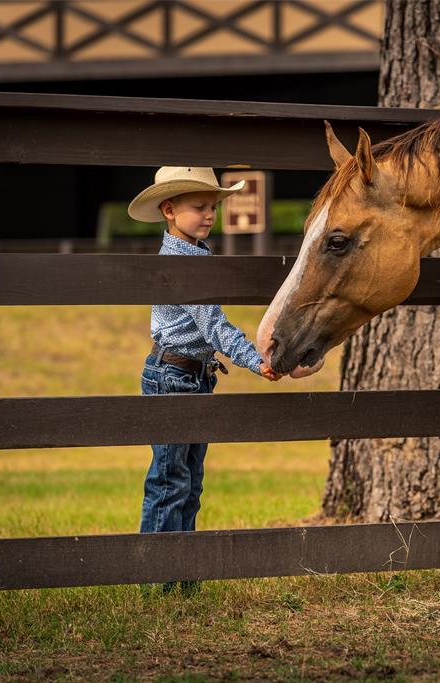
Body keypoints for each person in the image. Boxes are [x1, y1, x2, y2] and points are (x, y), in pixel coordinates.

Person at [127, 167, 280, 591]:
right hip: (171, 375)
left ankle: (184, 575)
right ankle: (156, 581)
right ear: (169, 210)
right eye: (199, 207)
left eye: (212, 207)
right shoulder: (182, 263)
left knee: (190, 481)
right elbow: (215, 328)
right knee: (169, 479)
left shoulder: (197, 255)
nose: (209, 215)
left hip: (195, 376)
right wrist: (256, 360)